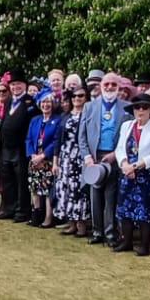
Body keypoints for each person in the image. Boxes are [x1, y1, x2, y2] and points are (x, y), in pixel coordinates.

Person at [115, 94, 150, 256]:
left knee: (145, 208)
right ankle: (127, 241)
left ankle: (144, 245)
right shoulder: (127, 126)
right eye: (137, 107)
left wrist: (135, 167)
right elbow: (120, 148)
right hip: (126, 173)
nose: (141, 110)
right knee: (124, 208)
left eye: (145, 107)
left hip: (146, 174)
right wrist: (124, 165)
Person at [80, 72, 128, 245]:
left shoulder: (126, 107)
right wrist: (87, 157)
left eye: (113, 85)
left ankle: (110, 234)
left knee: (110, 197)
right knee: (95, 197)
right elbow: (82, 136)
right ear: (100, 86)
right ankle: (97, 232)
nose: (109, 88)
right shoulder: (89, 107)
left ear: (118, 87)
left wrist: (116, 154)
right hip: (94, 158)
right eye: (106, 84)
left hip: (114, 157)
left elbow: (129, 136)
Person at [0, 71, 35, 221]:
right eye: (12, 84)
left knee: (21, 180)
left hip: (20, 147)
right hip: (7, 147)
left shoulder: (30, 102)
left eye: (18, 84)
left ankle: (22, 211)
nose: (15, 87)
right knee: (7, 179)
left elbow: (31, 126)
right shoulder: (8, 102)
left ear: (25, 85)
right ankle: (8, 208)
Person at [53, 89, 90, 236]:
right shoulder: (65, 116)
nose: (77, 98)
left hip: (81, 157)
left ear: (86, 97)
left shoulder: (88, 115)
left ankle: (82, 225)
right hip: (65, 157)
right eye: (74, 96)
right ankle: (71, 224)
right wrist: (55, 162)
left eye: (80, 95)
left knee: (79, 190)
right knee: (65, 189)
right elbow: (58, 140)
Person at [27, 89, 62, 228]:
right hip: (34, 159)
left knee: (47, 190)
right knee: (34, 188)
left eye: (48, 102)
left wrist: (42, 156)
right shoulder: (35, 120)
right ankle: (36, 215)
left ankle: (48, 217)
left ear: (53, 104)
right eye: (43, 102)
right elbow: (28, 139)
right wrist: (32, 155)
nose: (46, 104)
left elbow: (56, 141)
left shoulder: (57, 120)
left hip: (47, 160)